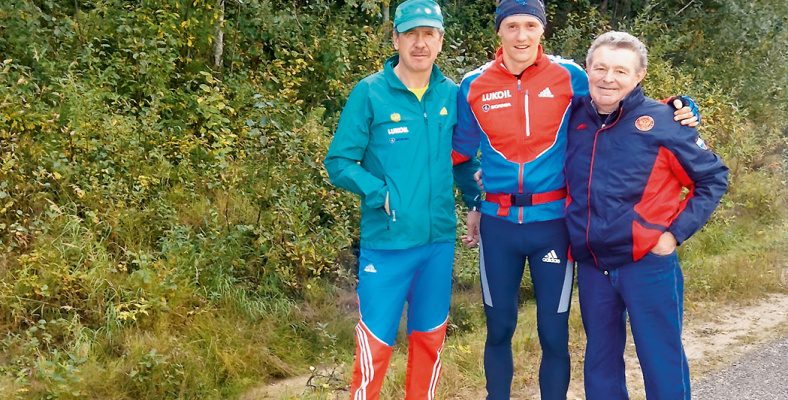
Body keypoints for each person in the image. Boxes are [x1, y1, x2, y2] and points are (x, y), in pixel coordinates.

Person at [450, 1, 699, 399]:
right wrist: (475, 202)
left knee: (554, 332)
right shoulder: (473, 84)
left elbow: (617, 100)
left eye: (530, 25)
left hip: (554, 222)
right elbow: (460, 155)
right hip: (499, 224)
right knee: (499, 328)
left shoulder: (570, 76)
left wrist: (679, 107)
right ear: (498, 30)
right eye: (511, 26)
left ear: (542, 29)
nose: (521, 35)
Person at [323, 1, 479, 398]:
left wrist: (476, 202)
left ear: (440, 41)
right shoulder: (370, 92)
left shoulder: (452, 95)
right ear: (395, 39)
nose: (420, 43)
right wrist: (379, 193)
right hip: (387, 244)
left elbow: (462, 159)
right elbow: (339, 162)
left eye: (429, 34)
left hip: (438, 243)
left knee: (429, 340)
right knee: (375, 344)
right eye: (411, 34)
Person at [564, 31, 729, 400]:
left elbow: (713, 177)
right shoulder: (572, 117)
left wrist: (673, 235)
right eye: (600, 68)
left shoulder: (664, 121)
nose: (608, 78)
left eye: (621, 71)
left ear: (639, 76)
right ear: (587, 69)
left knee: (660, 359)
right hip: (593, 264)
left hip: (647, 263)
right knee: (600, 362)